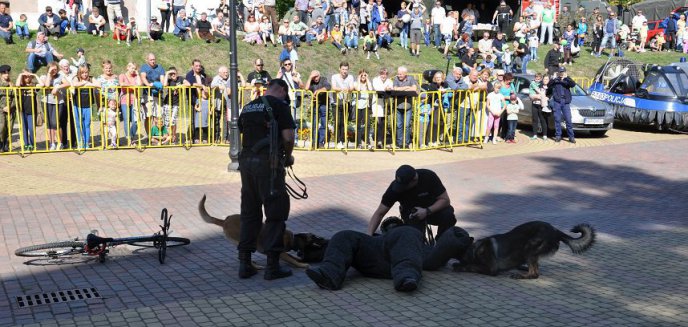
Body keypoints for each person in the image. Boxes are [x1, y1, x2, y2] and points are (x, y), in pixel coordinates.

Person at [306, 219, 472, 292]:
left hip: (401, 259)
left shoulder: (410, 236)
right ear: (384, 230)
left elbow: (435, 257)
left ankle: (406, 279)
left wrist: (455, 237)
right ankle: (329, 275)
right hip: (375, 255)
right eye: (389, 225)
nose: (392, 226)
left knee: (407, 237)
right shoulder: (375, 239)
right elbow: (340, 248)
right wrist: (307, 249)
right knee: (344, 235)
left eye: (394, 225)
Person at [237, 78, 295, 280]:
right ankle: (272, 266)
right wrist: (288, 157)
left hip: (246, 163)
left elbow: (240, 132)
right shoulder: (279, 105)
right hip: (269, 165)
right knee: (275, 213)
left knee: (250, 213)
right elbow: (288, 137)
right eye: (285, 94)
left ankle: (244, 264)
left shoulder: (249, 106)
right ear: (281, 90)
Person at [368, 164, 457, 240]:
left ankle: (441, 245)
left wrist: (427, 211)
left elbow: (445, 200)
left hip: (432, 211)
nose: (402, 188)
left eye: (405, 185)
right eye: (400, 185)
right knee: (414, 238)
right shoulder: (395, 188)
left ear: (415, 179)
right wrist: (368, 236)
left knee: (448, 214)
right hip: (411, 215)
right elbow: (379, 213)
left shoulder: (428, 177)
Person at [39, 62, 69, 151]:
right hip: (46, 101)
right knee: (49, 123)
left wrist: (58, 87)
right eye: (52, 69)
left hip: (58, 102)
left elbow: (68, 84)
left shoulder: (60, 76)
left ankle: (60, 142)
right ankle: (52, 143)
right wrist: (49, 73)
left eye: (55, 69)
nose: (54, 71)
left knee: (56, 122)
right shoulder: (44, 76)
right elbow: (47, 85)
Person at [16, 70, 42, 151]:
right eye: (25, 77)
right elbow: (16, 84)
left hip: (32, 111)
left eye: (29, 76)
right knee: (24, 128)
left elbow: (42, 84)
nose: (27, 78)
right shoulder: (21, 85)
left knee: (31, 128)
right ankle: (26, 144)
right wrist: (21, 74)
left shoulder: (34, 85)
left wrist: (34, 74)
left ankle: (32, 144)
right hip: (23, 110)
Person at [548, 67, 575, 143]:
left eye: (563, 72)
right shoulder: (556, 80)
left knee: (568, 120)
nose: (561, 73)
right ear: (558, 72)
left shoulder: (567, 79)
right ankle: (558, 136)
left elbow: (573, 85)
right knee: (557, 119)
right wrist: (553, 78)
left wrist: (567, 78)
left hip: (566, 102)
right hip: (557, 101)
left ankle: (571, 137)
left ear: (565, 72)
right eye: (560, 72)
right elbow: (549, 85)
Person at [392, 66, 417, 149]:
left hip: (408, 106)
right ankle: (399, 142)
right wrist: (407, 88)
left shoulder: (411, 78)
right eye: (398, 74)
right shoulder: (396, 79)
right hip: (398, 106)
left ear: (405, 74)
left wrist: (401, 89)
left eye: (401, 74)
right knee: (399, 125)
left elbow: (414, 89)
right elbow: (395, 89)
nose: (399, 75)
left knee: (406, 125)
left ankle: (406, 143)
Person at [305, 70, 330, 148]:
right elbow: (306, 89)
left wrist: (318, 91)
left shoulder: (323, 79)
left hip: (324, 104)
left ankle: (321, 142)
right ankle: (314, 142)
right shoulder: (311, 81)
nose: (315, 78)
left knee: (323, 124)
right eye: (314, 77)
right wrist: (310, 78)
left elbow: (328, 87)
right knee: (314, 124)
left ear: (320, 75)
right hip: (315, 105)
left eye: (317, 76)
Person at [119, 62, 141, 144]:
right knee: (126, 120)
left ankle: (130, 136)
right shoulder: (122, 75)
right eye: (132, 68)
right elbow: (122, 84)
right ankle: (129, 139)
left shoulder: (135, 76)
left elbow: (139, 84)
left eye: (135, 68)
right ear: (127, 67)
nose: (133, 70)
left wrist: (138, 74)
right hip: (125, 100)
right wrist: (132, 86)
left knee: (136, 121)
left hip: (135, 99)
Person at [0, 65, 15, 152]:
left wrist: (10, 106)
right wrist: (3, 107)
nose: (6, 75)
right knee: (2, 127)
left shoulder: (11, 84)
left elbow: (15, 97)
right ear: (1, 74)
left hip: (11, 109)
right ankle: (1, 143)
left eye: (7, 73)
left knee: (10, 127)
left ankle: (6, 144)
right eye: (4, 73)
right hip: (1, 109)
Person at [529, 73, 547, 141]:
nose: (537, 80)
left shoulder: (543, 84)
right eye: (536, 78)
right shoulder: (533, 83)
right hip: (534, 104)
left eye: (539, 79)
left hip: (541, 104)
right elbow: (538, 91)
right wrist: (540, 95)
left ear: (541, 79)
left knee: (542, 119)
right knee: (535, 120)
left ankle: (545, 135)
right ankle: (535, 135)